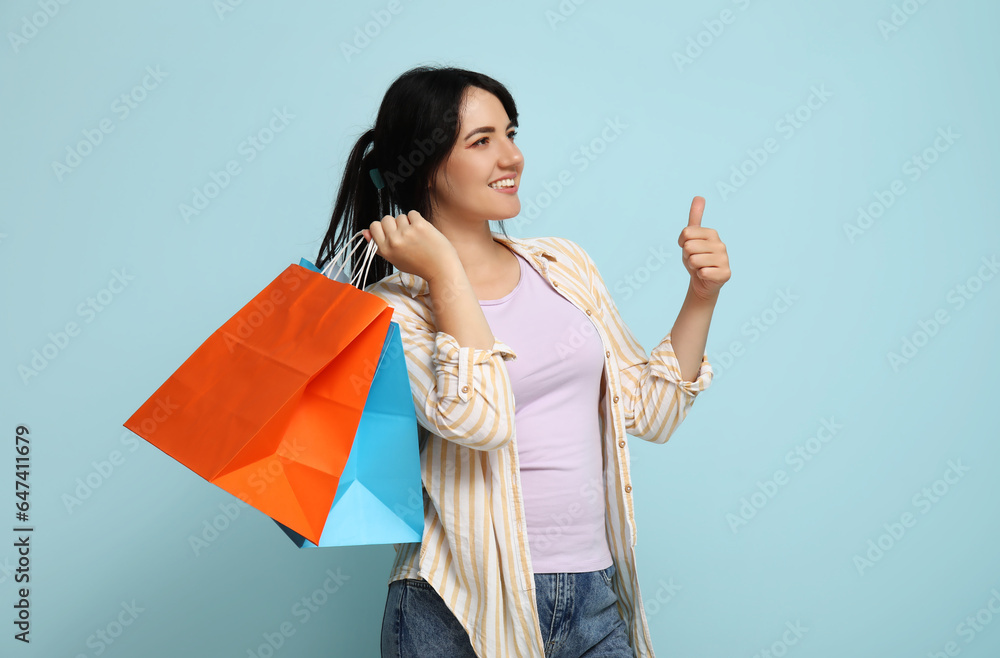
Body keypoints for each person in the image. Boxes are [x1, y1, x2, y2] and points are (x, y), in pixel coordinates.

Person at [315, 65, 730, 658]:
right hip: (456, 606)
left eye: (511, 133)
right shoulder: (392, 309)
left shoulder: (560, 265)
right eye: (482, 142)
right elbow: (481, 422)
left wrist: (701, 296)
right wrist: (445, 275)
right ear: (424, 166)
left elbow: (653, 412)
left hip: (593, 594)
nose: (512, 157)